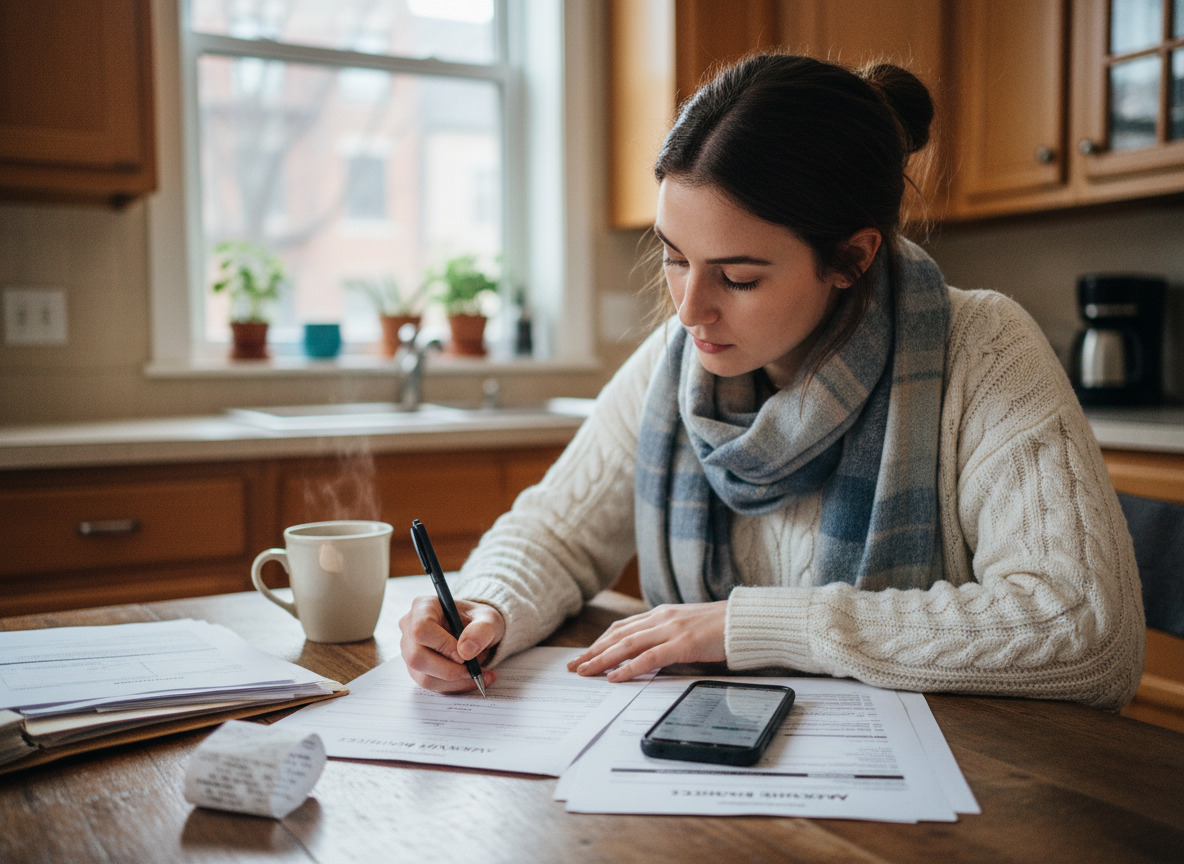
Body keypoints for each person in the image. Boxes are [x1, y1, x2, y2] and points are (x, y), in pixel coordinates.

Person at [399, 53, 1145, 710]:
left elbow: (1083, 627)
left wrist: (749, 626)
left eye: (739, 276)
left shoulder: (983, 349)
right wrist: (484, 605)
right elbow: (555, 533)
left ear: (852, 259)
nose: (689, 310)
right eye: (674, 256)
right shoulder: (677, 363)